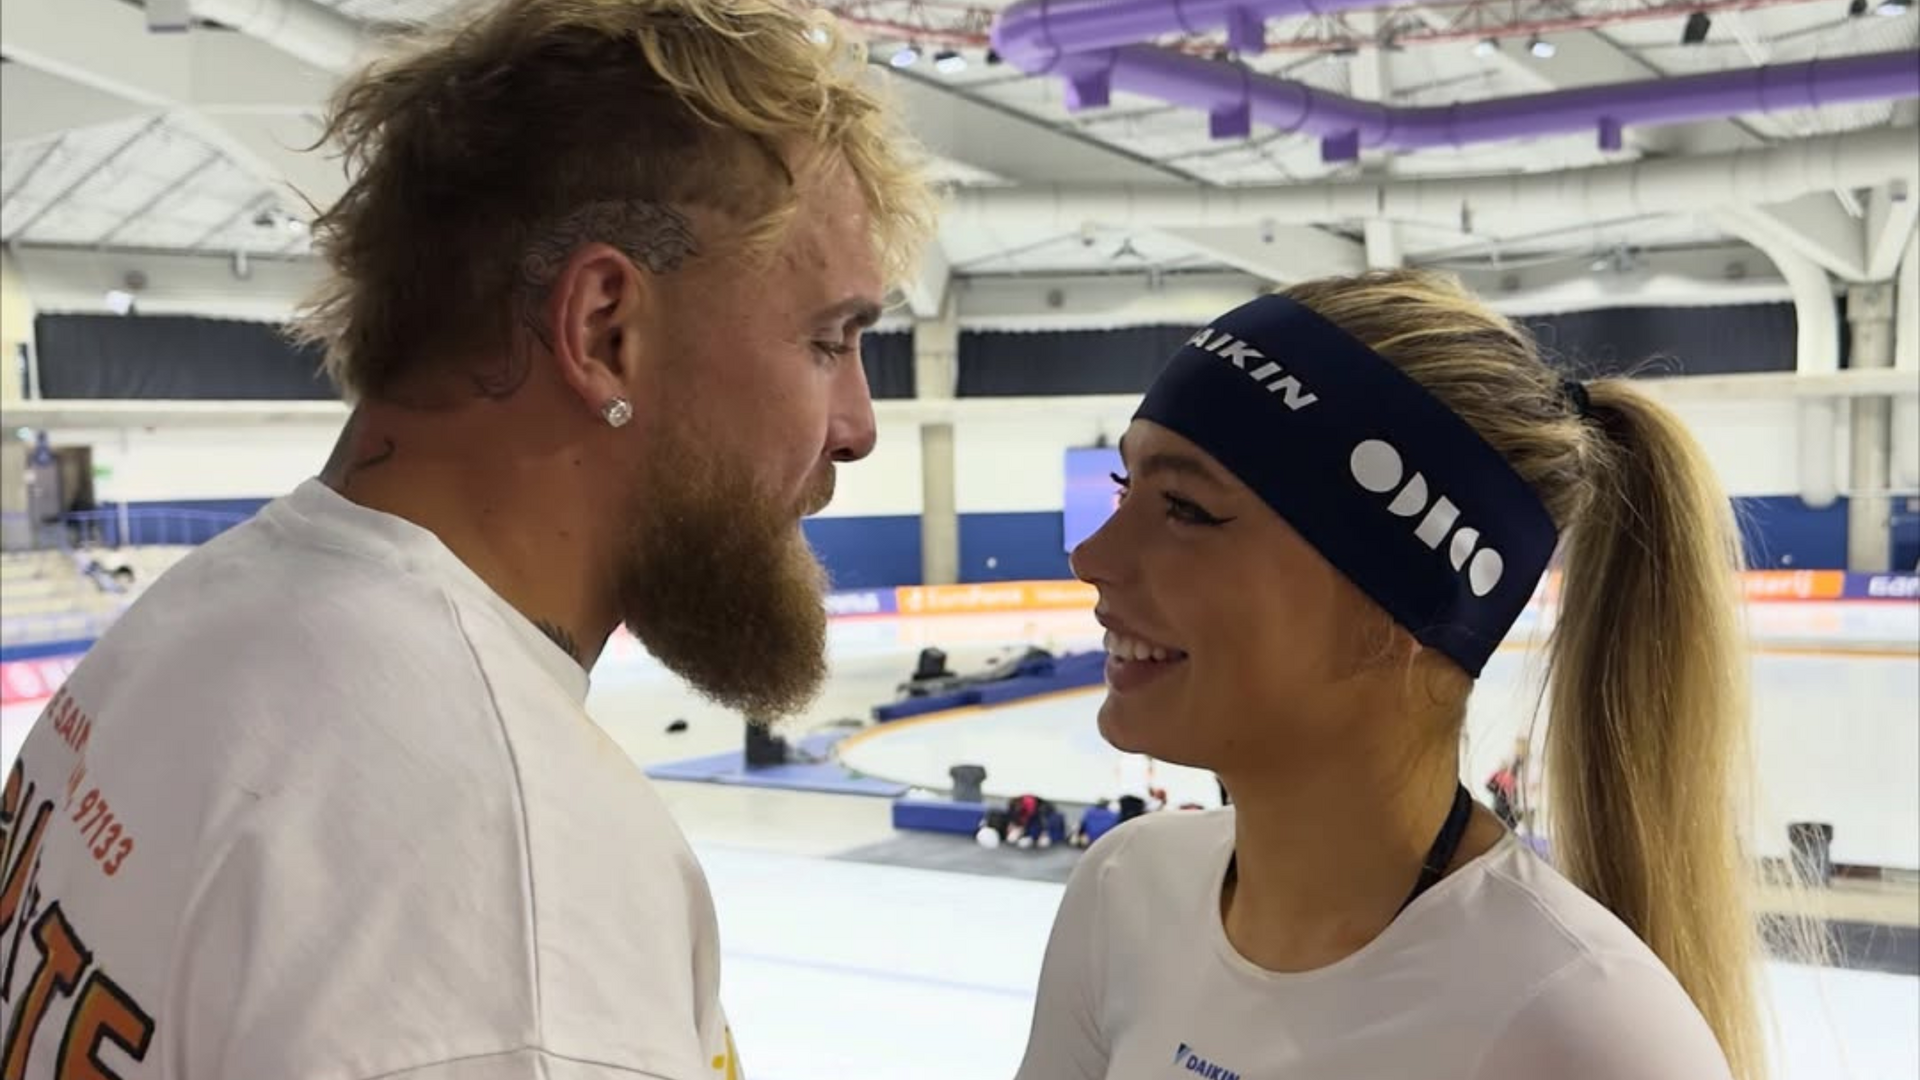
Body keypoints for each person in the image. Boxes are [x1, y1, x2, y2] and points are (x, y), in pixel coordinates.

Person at [0, 1, 934, 1077]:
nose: (858, 428)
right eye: (829, 341)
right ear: (604, 330)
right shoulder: (512, 904)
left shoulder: (196, 618)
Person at [1017, 269, 1769, 1080]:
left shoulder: (1586, 1032)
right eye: (1125, 489)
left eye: (1187, 509)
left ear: (1409, 601)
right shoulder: (1124, 896)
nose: (1091, 556)